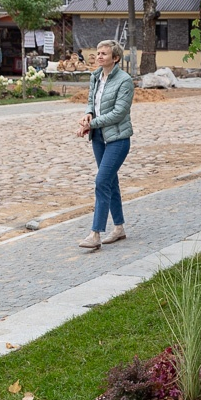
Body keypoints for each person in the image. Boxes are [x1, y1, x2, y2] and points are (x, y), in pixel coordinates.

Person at [76, 39, 135, 250]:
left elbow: (119, 113)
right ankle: (119, 229)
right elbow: (92, 102)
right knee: (110, 183)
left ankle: (95, 234)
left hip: (118, 139)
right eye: (98, 53)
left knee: (101, 181)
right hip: (99, 138)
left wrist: (92, 123)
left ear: (115, 58)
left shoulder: (125, 81)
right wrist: (88, 115)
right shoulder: (95, 77)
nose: (99, 56)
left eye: (104, 54)